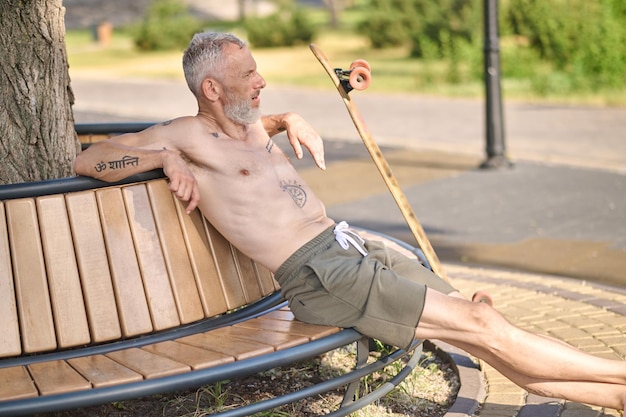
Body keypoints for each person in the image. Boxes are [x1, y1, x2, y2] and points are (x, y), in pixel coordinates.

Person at [74, 31, 626, 411]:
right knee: (483, 327)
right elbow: (90, 160)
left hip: (349, 248)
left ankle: (615, 398)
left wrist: (289, 116)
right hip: (319, 277)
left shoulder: (246, 124)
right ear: (211, 89)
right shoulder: (186, 135)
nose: (261, 79)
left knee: (485, 331)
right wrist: (163, 158)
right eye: (248, 74)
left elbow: (253, 131)